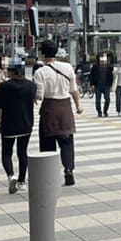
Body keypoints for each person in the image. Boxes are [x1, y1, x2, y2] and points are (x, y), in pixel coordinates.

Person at [34, 40, 84, 186]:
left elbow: (39, 96)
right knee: (67, 142)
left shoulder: (40, 72)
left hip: (49, 109)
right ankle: (68, 170)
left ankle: (50, 175)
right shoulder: (67, 67)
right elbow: (74, 89)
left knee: (48, 144)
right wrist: (78, 106)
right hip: (65, 108)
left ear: (42, 53)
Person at [0, 59, 35, 194]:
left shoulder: (4, 86)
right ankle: (22, 181)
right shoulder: (31, 85)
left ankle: (11, 176)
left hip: (9, 123)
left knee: (6, 153)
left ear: (11, 72)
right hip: (26, 123)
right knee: (22, 152)